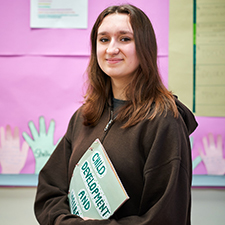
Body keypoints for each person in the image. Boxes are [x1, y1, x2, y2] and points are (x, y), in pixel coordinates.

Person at [34, 4, 198, 225]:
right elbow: (50, 190)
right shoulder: (84, 116)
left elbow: (165, 217)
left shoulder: (164, 121)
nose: (111, 49)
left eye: (124, 39)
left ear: (145, 47)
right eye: (103, 40)